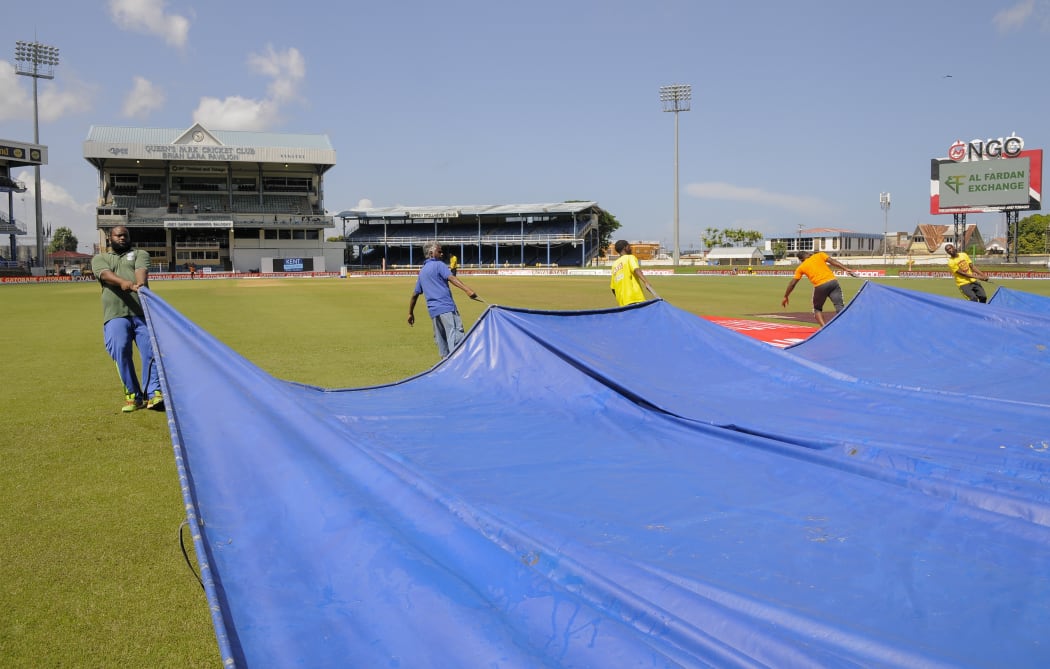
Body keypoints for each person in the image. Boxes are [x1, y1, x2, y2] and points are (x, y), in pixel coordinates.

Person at [91, 226, 164, 413]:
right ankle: (133, 395)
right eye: (118, 235)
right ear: (110, 238)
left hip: (142, 313)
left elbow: (141, 270)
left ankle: (154, 393)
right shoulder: (100, 258)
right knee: (121, 350)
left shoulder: (140, 253)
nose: (122, 238)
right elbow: (105, 275)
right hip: (115, 315)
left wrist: (139, 283)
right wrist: (123, 283)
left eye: (125, 235)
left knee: (151, 351)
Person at [408, 242, 481, 357]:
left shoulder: (422, 272)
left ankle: (445, 369)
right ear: (431, 253)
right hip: (446, 308)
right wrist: (467, 290)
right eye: (439, 251)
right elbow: (451, 277)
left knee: (443, 345)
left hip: (434, 313)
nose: (442, 254)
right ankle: (459, 368)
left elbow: (414, 294)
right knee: (456, 340)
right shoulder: (439, 265)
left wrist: (410, 313)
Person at [781, 250, 858, 327]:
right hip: (833, 282)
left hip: (820, 286)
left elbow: (792, 284)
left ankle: (824, 328)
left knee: (817, 309)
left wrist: (786, 296)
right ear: (808, 254)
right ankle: (848, 326)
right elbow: (832, 261)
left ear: (801, 260)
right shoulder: (820, 255)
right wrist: (845, 269)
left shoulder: (801, 267)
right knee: (839, 306)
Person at [609, 240, 657, 306]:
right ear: (624, 247)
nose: (631, 248)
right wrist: (646, 282)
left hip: (622, 303)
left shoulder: (614, 264)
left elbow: (613, 288)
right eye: (629, 246)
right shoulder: (630, 257)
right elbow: (636, 269)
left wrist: (620, 299)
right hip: (634, 298)